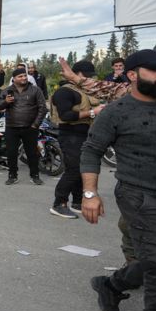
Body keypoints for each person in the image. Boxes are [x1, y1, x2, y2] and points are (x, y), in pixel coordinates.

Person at [80, 49, 156, 311]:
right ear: (132, 75)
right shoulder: (116, 112)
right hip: (141, 195)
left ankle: (111, 285)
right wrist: (90, 194)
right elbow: (91, 151)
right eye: (155, 70)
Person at [49, 60, 104, 219]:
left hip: (85, 134)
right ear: (78, 74)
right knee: (73, 169)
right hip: (70, 135)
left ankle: (78, 202)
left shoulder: (84, 90)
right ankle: (59, 203)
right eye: (88, 75)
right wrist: (93, 112)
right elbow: (65, 116)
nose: (90, 79)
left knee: (83, 169)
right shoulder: (64, 92)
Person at [0, 67, 47, 186]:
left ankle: (35, 176)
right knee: (11, 153)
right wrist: (6, 102)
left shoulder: (35, 90)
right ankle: (12, 176)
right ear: (14, 78)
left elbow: (42, 108)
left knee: (32, 153)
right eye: (20, 76)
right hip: (11, 127)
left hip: (30, 127)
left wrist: (35, 124)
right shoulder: (7, 91)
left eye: (25, 75)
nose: (24, 78)